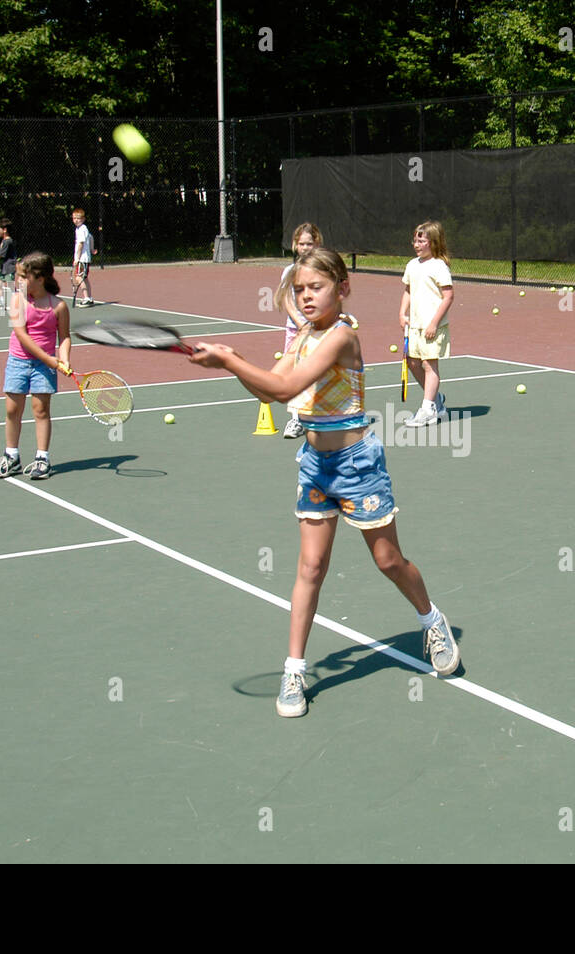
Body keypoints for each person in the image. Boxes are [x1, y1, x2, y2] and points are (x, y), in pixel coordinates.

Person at [188, 248, 460, 717]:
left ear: (342, 287)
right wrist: (234, 364)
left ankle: (432, 620)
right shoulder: (301, 339)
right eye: (299, 290)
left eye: (316, 287)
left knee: (388, 560)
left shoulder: (342, 336)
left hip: (357, 464)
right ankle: (294, 668)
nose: (306, 296)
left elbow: (285, 391)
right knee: (310, 569)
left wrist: (231, 361)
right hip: (315, 464)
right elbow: (270, 389)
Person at [0, 252, 71, 481]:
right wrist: (51, 361)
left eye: (23, 277)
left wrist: (64, 358)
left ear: (40, 278)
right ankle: (11, 455)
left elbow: (64, 337)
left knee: (41, 410)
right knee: (12, 410)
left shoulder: (58, 306)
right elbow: (22, 335)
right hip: (18, 361)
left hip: (43, 367)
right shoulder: (18, 300)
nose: (18, 281)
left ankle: (42, 458)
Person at [399, 220, 454, 427]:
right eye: (414, 240)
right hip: (414, 325)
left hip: (433, 326)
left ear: (433, 242)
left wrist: (434, 323)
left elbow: (448, 297)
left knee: (430, 365)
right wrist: (402, 312)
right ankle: (436, 401)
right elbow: (408, 290)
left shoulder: (439, 266)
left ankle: (428, 408)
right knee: (413, 362)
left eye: (421, 240)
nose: (416, 244)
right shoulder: (412, 265)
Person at [276, 222, 322, 439]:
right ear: (295, 245)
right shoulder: (290, 271)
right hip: (296, 331)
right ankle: (296, 420)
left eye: (309, 243)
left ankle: (318, 415)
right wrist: (301, 323)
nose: (305, 248)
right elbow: (286, 299)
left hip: (319, 331)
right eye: (302, 244)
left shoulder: (324, 269)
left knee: (318, 373)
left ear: (317, 244)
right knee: (295, 375)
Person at [71, 208, 95, 307]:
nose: (76, 220)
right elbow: (91, 237)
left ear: (83, 219)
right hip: (84, 258)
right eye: (74, 218)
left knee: (79, 277)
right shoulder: (82, 229)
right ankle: (88, 298)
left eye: (78, 218)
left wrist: (77, 258)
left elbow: (80, 244)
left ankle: (86, 298)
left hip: (82, 259)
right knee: (83, 278)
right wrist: (92, 249)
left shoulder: (82, 229)